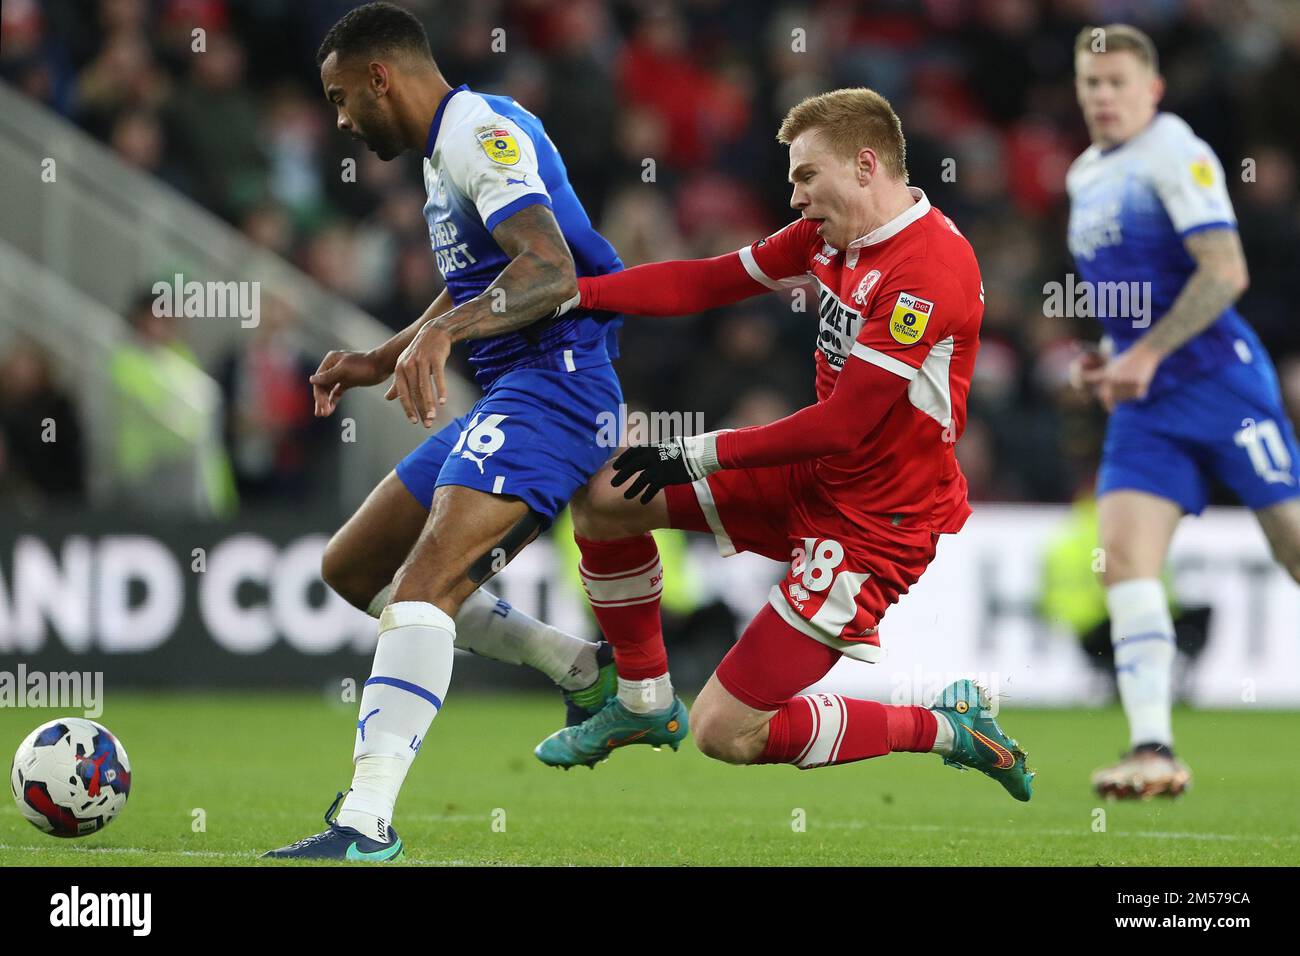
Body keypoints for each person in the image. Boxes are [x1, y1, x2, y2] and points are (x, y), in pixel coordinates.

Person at [534, 88, 1034, 802]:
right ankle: (640, 702)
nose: (794, 196)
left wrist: (697, 450)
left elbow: (844, 425)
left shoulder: (928, 272)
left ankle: (950, 728)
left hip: (873, 525)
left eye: (806, 176)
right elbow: (705, 282)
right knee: (606, 500)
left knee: (726, 731)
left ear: (865, 166)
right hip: (810, 473)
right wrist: (582, 293)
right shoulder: (830, 236)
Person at [266, 2, 627, 861]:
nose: (343, 120)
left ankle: (364, 824)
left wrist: (444, 336)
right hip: (515, 394)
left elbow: (549, 267)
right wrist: (382, 355)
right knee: (351, 567)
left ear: (380, 75)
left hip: (560, 390)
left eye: (343, 98)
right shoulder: (445, 152)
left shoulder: (480, 131)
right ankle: (582, 669)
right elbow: (485, 275)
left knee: (425, 587)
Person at [1066, 24, 1300, 799]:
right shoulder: (1082, 178)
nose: (1103, 96)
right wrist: (1109, 358)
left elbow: (1225, 273)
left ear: (1152, 88)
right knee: (1126, 563)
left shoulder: (1176, 150)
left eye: (1117, 82)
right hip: (1148, 404)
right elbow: (1124, 297)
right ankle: (1153, 749)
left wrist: (1149, 354)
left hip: (1223, 385)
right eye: (1091, 83)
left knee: (1294, 547)